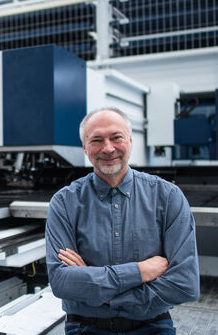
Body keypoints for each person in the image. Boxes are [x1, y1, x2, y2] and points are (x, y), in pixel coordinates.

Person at [45, 107, 199, 334]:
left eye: (116, 137)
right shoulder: (64, 202)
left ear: (130, 140)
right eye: (96, 140)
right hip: (85, 327)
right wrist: (141, 271)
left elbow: (185, 284)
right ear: (85, 148)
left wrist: (101, 292)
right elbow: (61, 281)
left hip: (152, 326)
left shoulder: (167, 196)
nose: (108, 148)